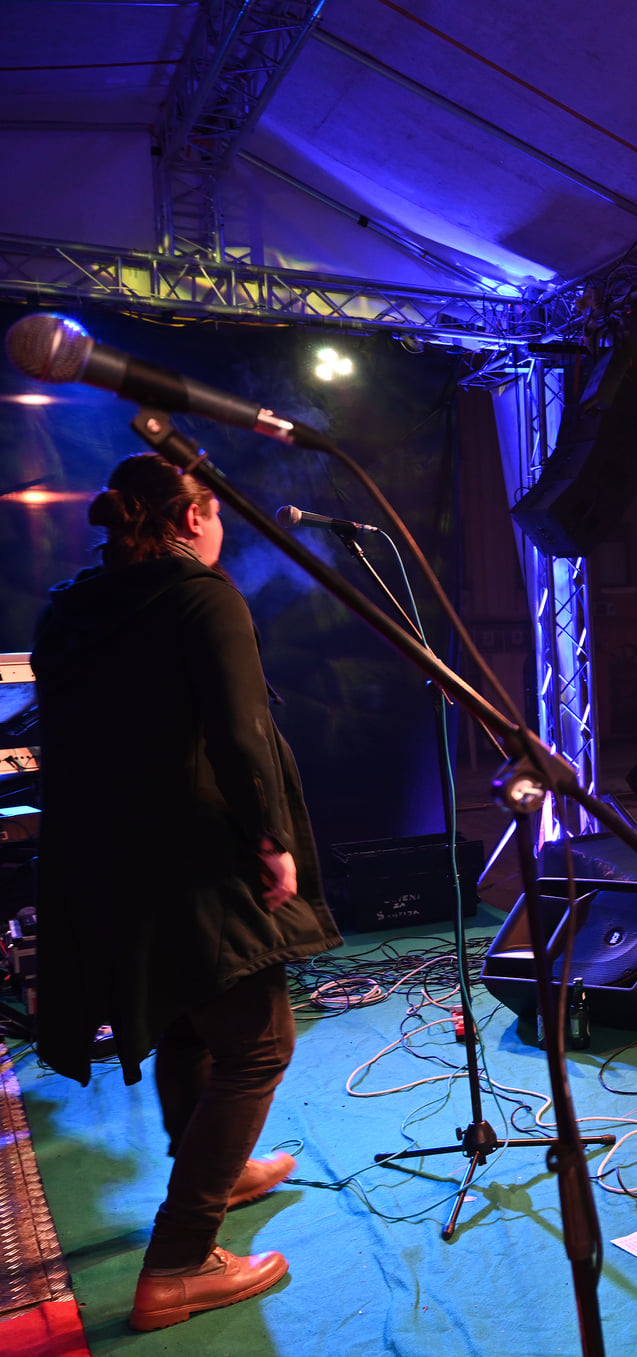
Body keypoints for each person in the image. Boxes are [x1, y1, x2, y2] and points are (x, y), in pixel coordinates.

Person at [33, 453, 342, 1331]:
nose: (222, 529)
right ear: (190, 516)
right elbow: (242, 735)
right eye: (215, 512)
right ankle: (177, 1260)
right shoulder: (202, 599)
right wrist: (274, 843)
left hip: (112, 866)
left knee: (181, 1014)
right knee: (257, 1044)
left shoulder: (72, 613)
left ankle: (211, 1165)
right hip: (199, 859)